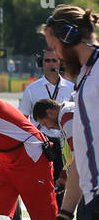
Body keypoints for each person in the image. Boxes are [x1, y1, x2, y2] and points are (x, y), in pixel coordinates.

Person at [36, 7, 99, 220]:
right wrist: (63, 217)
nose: (56, 57)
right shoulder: (84, 80)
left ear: (69, 36)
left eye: (55, 46)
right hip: (92, 199)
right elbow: (81, 158)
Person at [20, 46, 74, 189]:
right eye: (47, 60)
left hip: (64, 142)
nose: (51, 64)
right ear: (41, 63)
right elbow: (22, 119)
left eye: (54, 60)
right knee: (40, 184)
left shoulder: (71, 87)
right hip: (40, 142)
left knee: (62, 184)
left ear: (59, 63)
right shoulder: (31, 89)